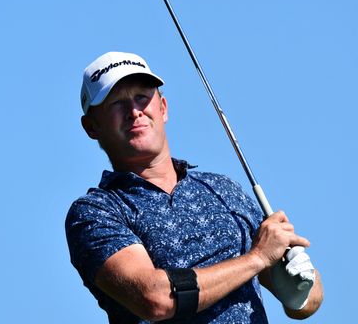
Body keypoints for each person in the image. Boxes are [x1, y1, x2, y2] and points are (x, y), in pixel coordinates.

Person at [66, 52, 323, 323]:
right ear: (91, 127)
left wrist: (300, 288)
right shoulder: (96, 212)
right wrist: (257, 258)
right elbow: (155, 298)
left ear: (163, 108)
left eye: (142, 97)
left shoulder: (223, 190)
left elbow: (305, 304)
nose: (134, 111)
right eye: (116, 103)